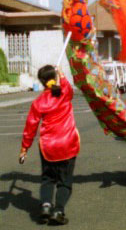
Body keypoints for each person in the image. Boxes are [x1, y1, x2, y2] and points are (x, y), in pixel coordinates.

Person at [20, 65, 79, 225]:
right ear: (55, 77)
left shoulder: (38, 102)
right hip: (67, 143)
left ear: (41, 81)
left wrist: (25, 147)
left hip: (48, 146)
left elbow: (30, 126)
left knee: (47, 179)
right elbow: (67, 86)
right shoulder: (65, 93)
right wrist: (61, 73)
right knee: (64, 181)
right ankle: (58, 211)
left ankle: (46, 206)